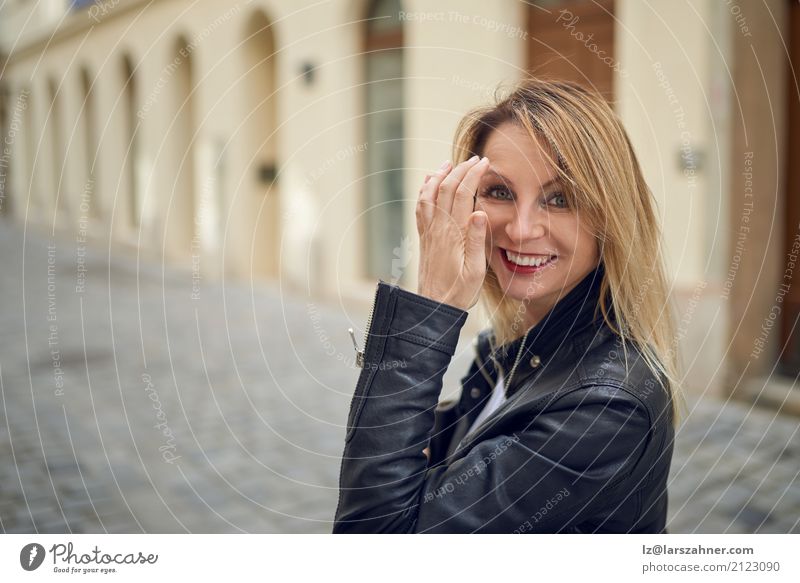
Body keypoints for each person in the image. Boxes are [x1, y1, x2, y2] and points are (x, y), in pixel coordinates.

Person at [333, 77, 682, 533]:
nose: (520, 229)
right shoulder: (507, 348)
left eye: (560, 199)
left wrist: (432, 309)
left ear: (610, 217)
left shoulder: (605, 408)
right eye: (500, 192)